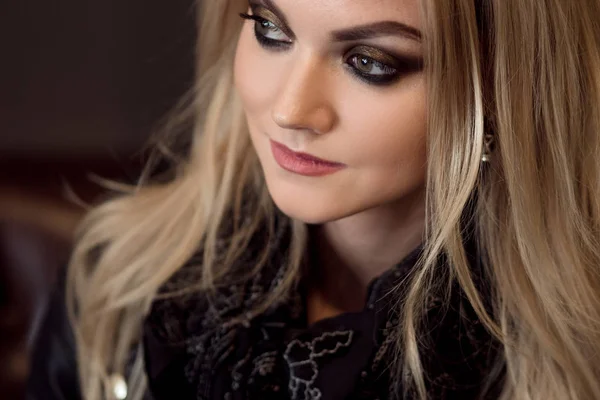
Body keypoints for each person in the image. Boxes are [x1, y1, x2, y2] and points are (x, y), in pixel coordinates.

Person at [27, 0, 600, 399]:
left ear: (503, 89)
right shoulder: (118, 285)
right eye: (271, 30)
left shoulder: (576, 347)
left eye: (370, 63)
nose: (291, 111)